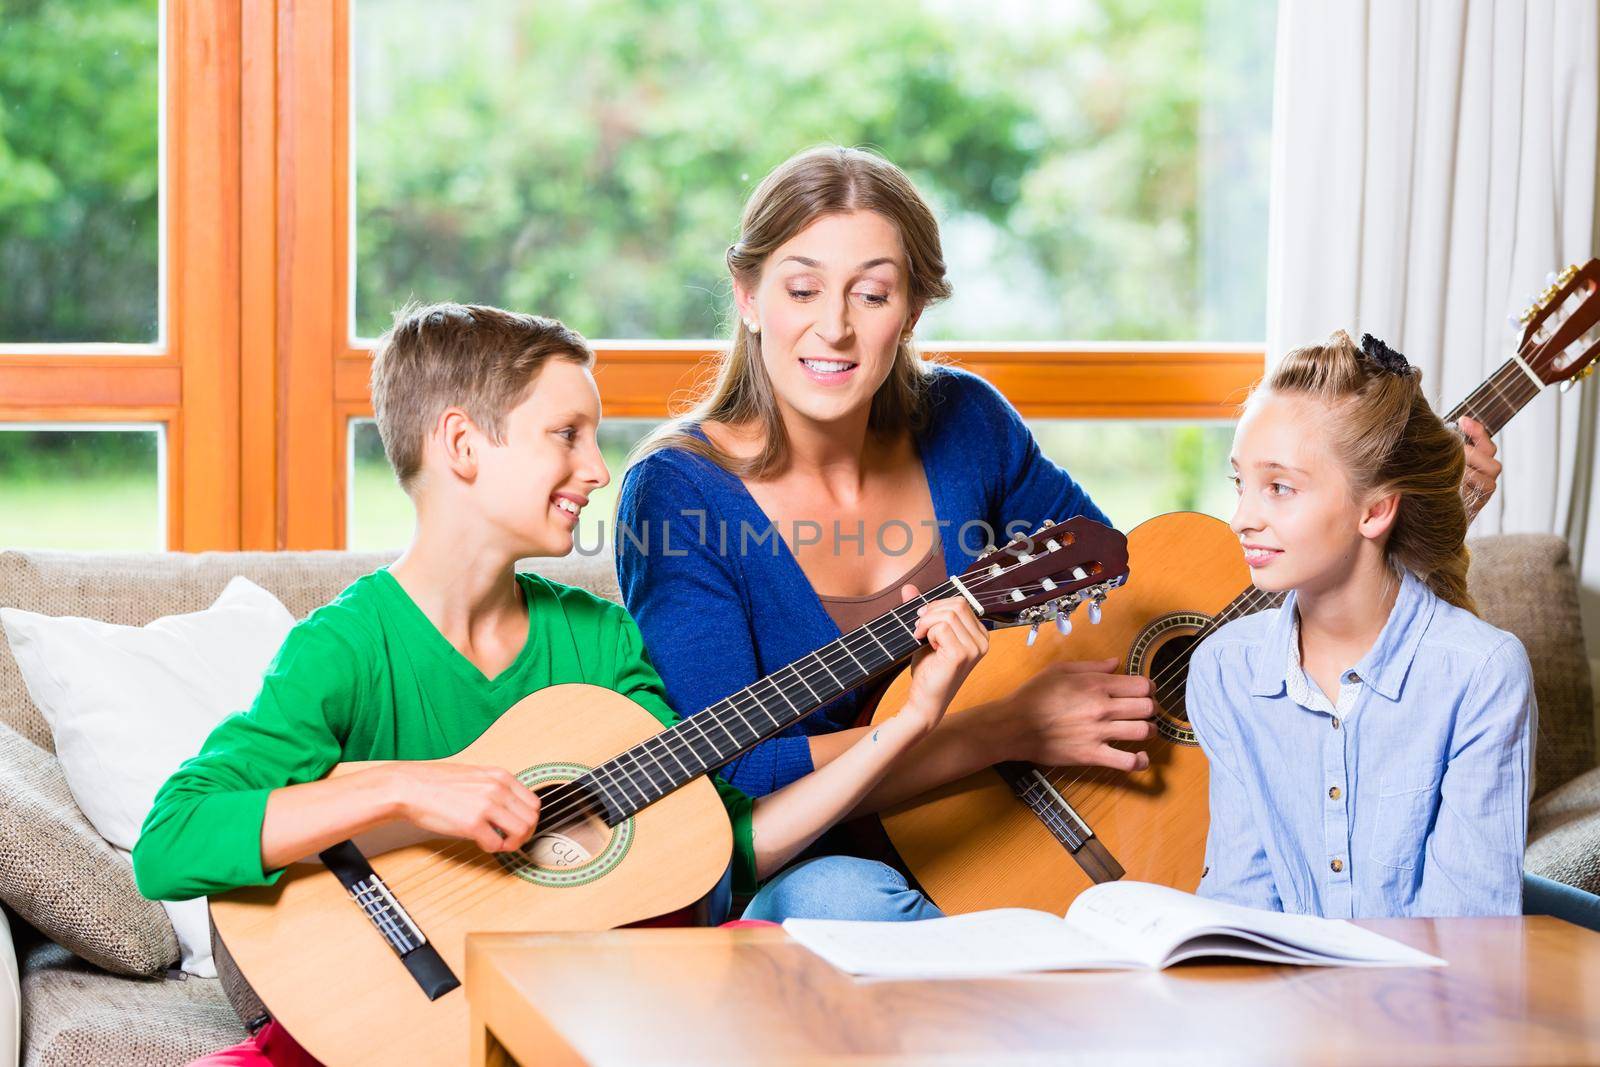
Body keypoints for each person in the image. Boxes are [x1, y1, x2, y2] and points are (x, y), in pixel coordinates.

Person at [615, 147, 1504, 918]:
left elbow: (1136, 586)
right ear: (748, 295)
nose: (835, 325)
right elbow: (728, 784)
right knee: (836, 901)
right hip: (831, 869)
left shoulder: (964, 420)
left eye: (873, 292)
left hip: (1036, 832)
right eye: (802, 287)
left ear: (913, 311)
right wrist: (1006, 728)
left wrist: (1400, 519)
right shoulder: (679, 494)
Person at [132, 303, 988, 1065]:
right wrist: (407, 789)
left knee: (818, 927)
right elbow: (170, 840)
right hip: (408, 1001)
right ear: (463, 446)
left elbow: (724, 848)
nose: (598, 470)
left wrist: (911, 718)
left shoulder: (600, 640)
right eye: (567, 435)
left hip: (601, 995)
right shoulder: (348, 648)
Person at [1189, 330, 1533, 917]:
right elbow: (1241, 902)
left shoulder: (1480, 673)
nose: (1242, 518)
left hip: (1431, 1002)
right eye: (1240, 484)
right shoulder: (1224, 667)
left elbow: (1469, 936)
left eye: (1279, 487)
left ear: (1375, 509)